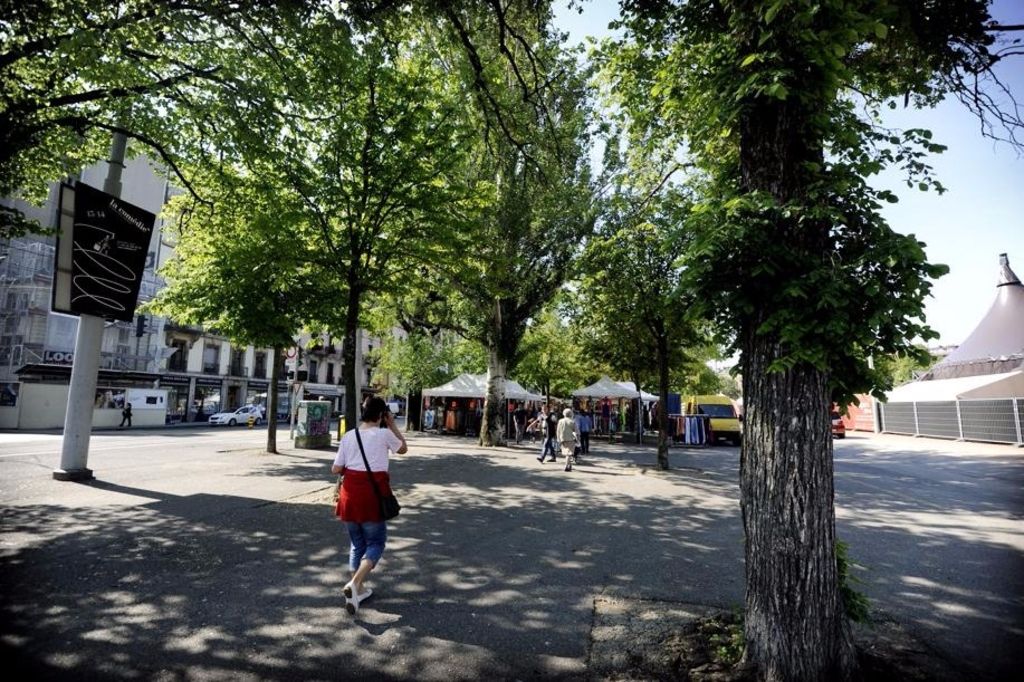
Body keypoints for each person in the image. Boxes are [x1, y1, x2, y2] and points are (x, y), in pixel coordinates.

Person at [331, 397, 408, 615]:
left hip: (349, 496)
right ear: (382, 414)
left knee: (357, 543)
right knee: (376, 542)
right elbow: (402, 449)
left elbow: (336, 469)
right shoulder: (384, 434)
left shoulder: (349, 435)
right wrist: (392, 424)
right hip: (372, 497)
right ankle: (354, 584)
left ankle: (359, 590)